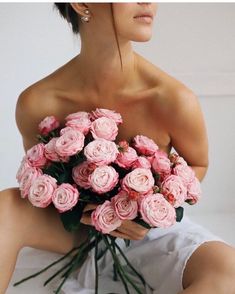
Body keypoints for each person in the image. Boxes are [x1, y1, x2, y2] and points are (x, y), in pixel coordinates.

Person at [0, 3, 235, 294]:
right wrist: (83, 209)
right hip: (75, 232)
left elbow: (198, 164)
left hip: (150, 233)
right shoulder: (38, 102)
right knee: (6, 206)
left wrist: (142, 212)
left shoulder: (173, 99)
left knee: (228, 270)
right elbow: (42, 180)